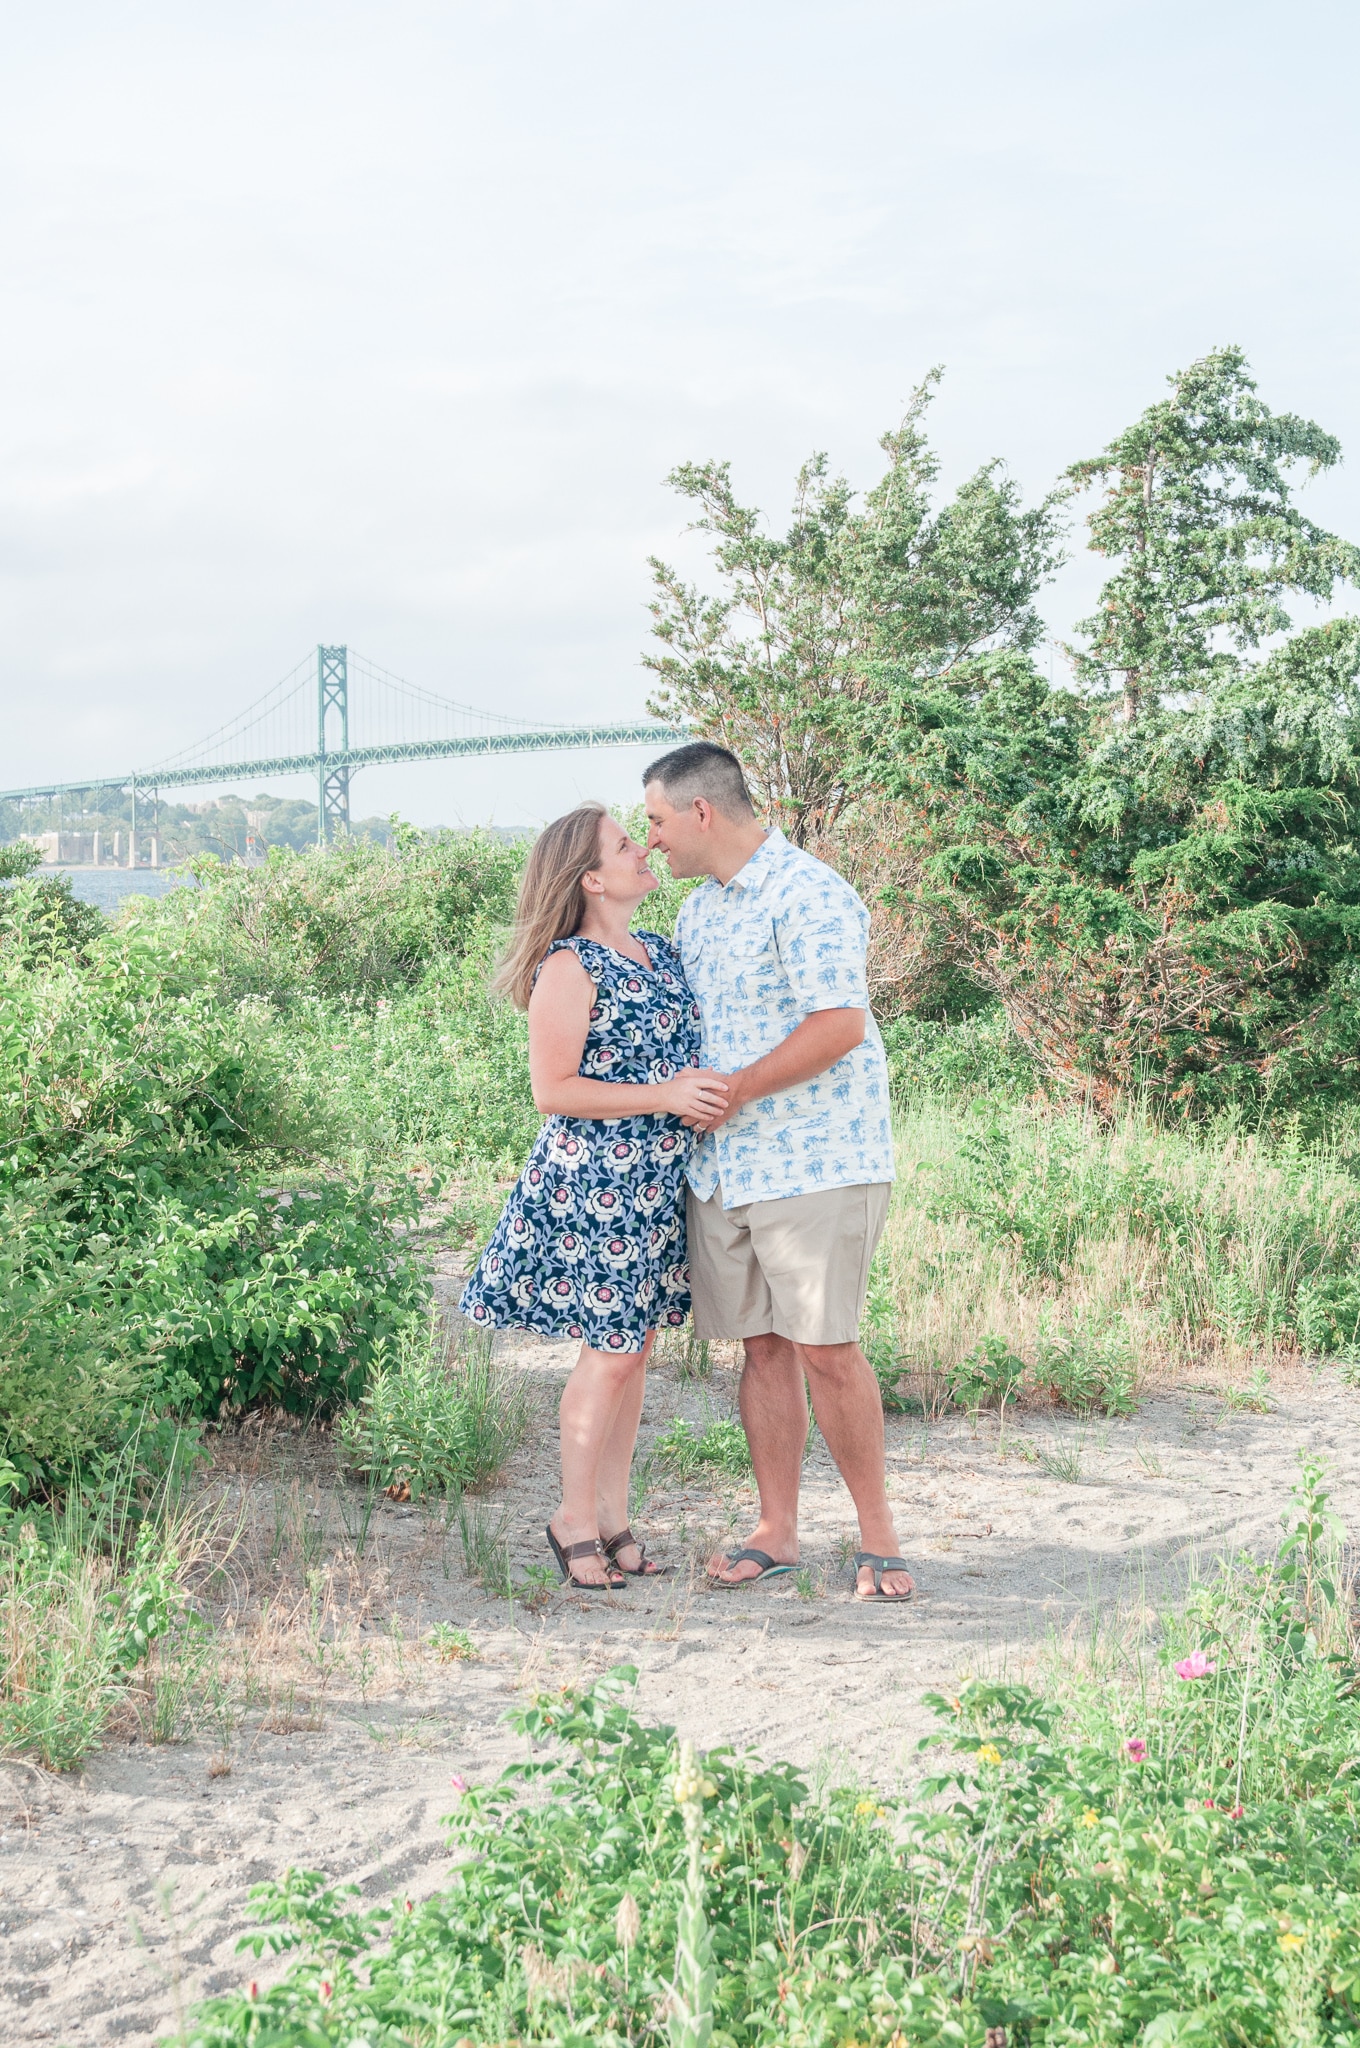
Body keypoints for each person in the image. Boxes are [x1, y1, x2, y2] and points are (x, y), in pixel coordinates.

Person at [642, 743, 915, 1603]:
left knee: (827, 1349)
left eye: (654, 821)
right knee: (760, 1349)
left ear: (701, 812)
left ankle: (880, 1539)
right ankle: (779, 1531)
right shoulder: (697, 912)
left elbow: (838, 1024)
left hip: (815, 1156)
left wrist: (736, 1091)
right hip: (725, 1168)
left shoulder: (810, 891)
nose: (649, 840)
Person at [459, 803, 729, 1589]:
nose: (643, 848)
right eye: (624, 844)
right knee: (609, 1352)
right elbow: (554, 1090)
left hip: (656, 1180)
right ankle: (572, 1515)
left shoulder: (659, 952)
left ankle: (612, 1514)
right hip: (597, 1183)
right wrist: (666, 1094)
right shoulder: (570, 966)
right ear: (590, 879)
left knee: (634, 1351)